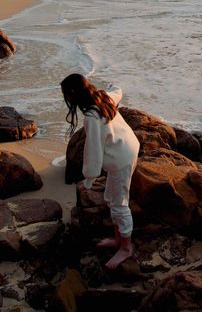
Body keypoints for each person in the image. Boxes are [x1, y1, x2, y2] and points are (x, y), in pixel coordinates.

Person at [60, 73, 140, 269]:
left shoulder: (92, 117)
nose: (66, 100)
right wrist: (115, 84)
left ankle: (126, 248)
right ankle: (117, 239)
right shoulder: (103, 96)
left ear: (73, 94)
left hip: (122, 159)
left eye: (66, 95)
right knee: (112, 197)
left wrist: (89, 178)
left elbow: (93, 151)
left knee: (119, 202)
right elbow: (117, 93)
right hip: (128, 148)